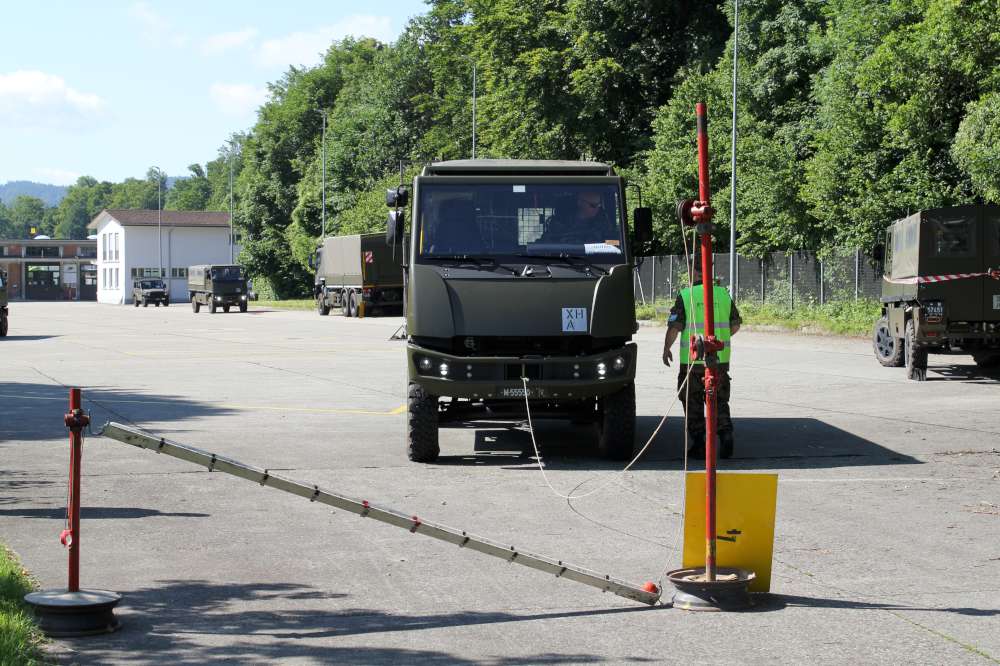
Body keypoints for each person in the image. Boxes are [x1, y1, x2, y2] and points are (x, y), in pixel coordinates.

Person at [662, 260, 741, 459]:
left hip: (692, 361)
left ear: (693, 272)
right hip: (719, 359)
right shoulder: (723, 294)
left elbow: (675, 327)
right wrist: (719, 339)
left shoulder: (686, 295)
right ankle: (726, 434)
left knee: (692, 402)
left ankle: (699, 443)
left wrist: (666, 348)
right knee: (719, 400)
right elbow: (735, 325)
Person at [539, 190, 619, 245]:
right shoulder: (560, 223)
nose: (597, 209)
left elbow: (616, 243)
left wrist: (600, 243)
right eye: (593, 205)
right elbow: (545, 243)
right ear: (580, 202)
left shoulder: (604, 223)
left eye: (599, 205)